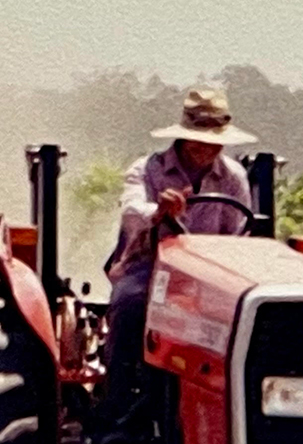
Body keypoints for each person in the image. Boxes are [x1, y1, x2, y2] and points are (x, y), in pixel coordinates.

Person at [99, 86, 258, 423]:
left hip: (213, 276)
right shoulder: (148, 170)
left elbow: (239, 233)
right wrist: (159, 210)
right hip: (153, 269)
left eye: (215, 139)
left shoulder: (233, 178)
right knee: (129, 305)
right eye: (200, 137)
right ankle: (116, 407)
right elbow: (131, 212)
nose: (207, 146)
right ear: (184, 137)